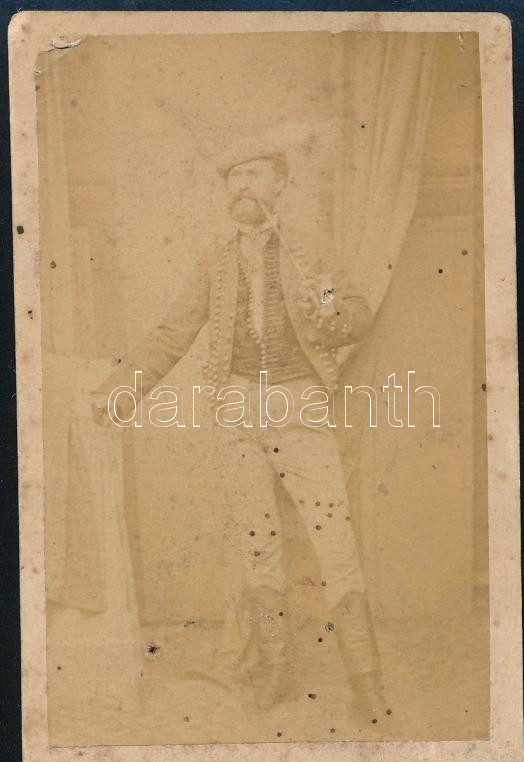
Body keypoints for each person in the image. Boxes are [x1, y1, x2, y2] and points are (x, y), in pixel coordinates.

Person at [94, 134, 385, 720]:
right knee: (258, 544)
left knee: (334, 540)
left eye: (253, 174)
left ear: (280, 182)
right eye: (233, 178)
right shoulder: (216, 262)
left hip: (299, 404)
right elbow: (173, 332)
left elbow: (353, 314)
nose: (242, 186)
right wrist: (122, 388)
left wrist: (328, 314)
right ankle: (275, 672)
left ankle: (366, 683)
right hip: (235, 410)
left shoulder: (309, 250)